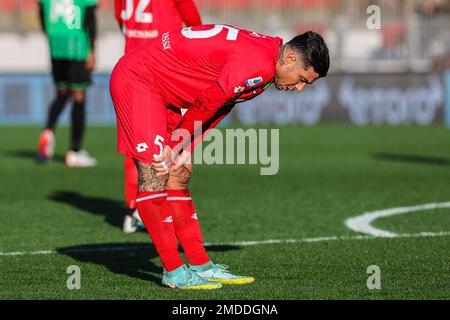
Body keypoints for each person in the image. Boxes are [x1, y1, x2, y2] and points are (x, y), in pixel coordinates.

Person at [110, 24, 329, 289]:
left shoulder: (268, 56)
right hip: (139, 80)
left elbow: (221, 102)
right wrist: (179, 139)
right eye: (303, 80)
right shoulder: (259, 65)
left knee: (178, 173)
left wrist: (184, 143)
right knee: (154, 173)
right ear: (291, 58)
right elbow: (212, 99)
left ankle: (201, 265)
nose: (299, 89)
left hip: (162, 90)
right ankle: (174, 272)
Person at [114, 0, 202, 233]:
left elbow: (121, 18)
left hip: (131, 67)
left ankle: (135, 209)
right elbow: (194, 24)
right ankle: (156, 208)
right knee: (170, 140)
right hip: (164, 69)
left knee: (138, 144)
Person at [37, 0, 98, 167]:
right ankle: (74, 151)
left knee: (62, 93)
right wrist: (92, 50)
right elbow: (90, 19)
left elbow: (42, 14)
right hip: (77, 45)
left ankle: (48, 132)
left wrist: (51, 35)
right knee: (79, 96)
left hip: (55, 45)